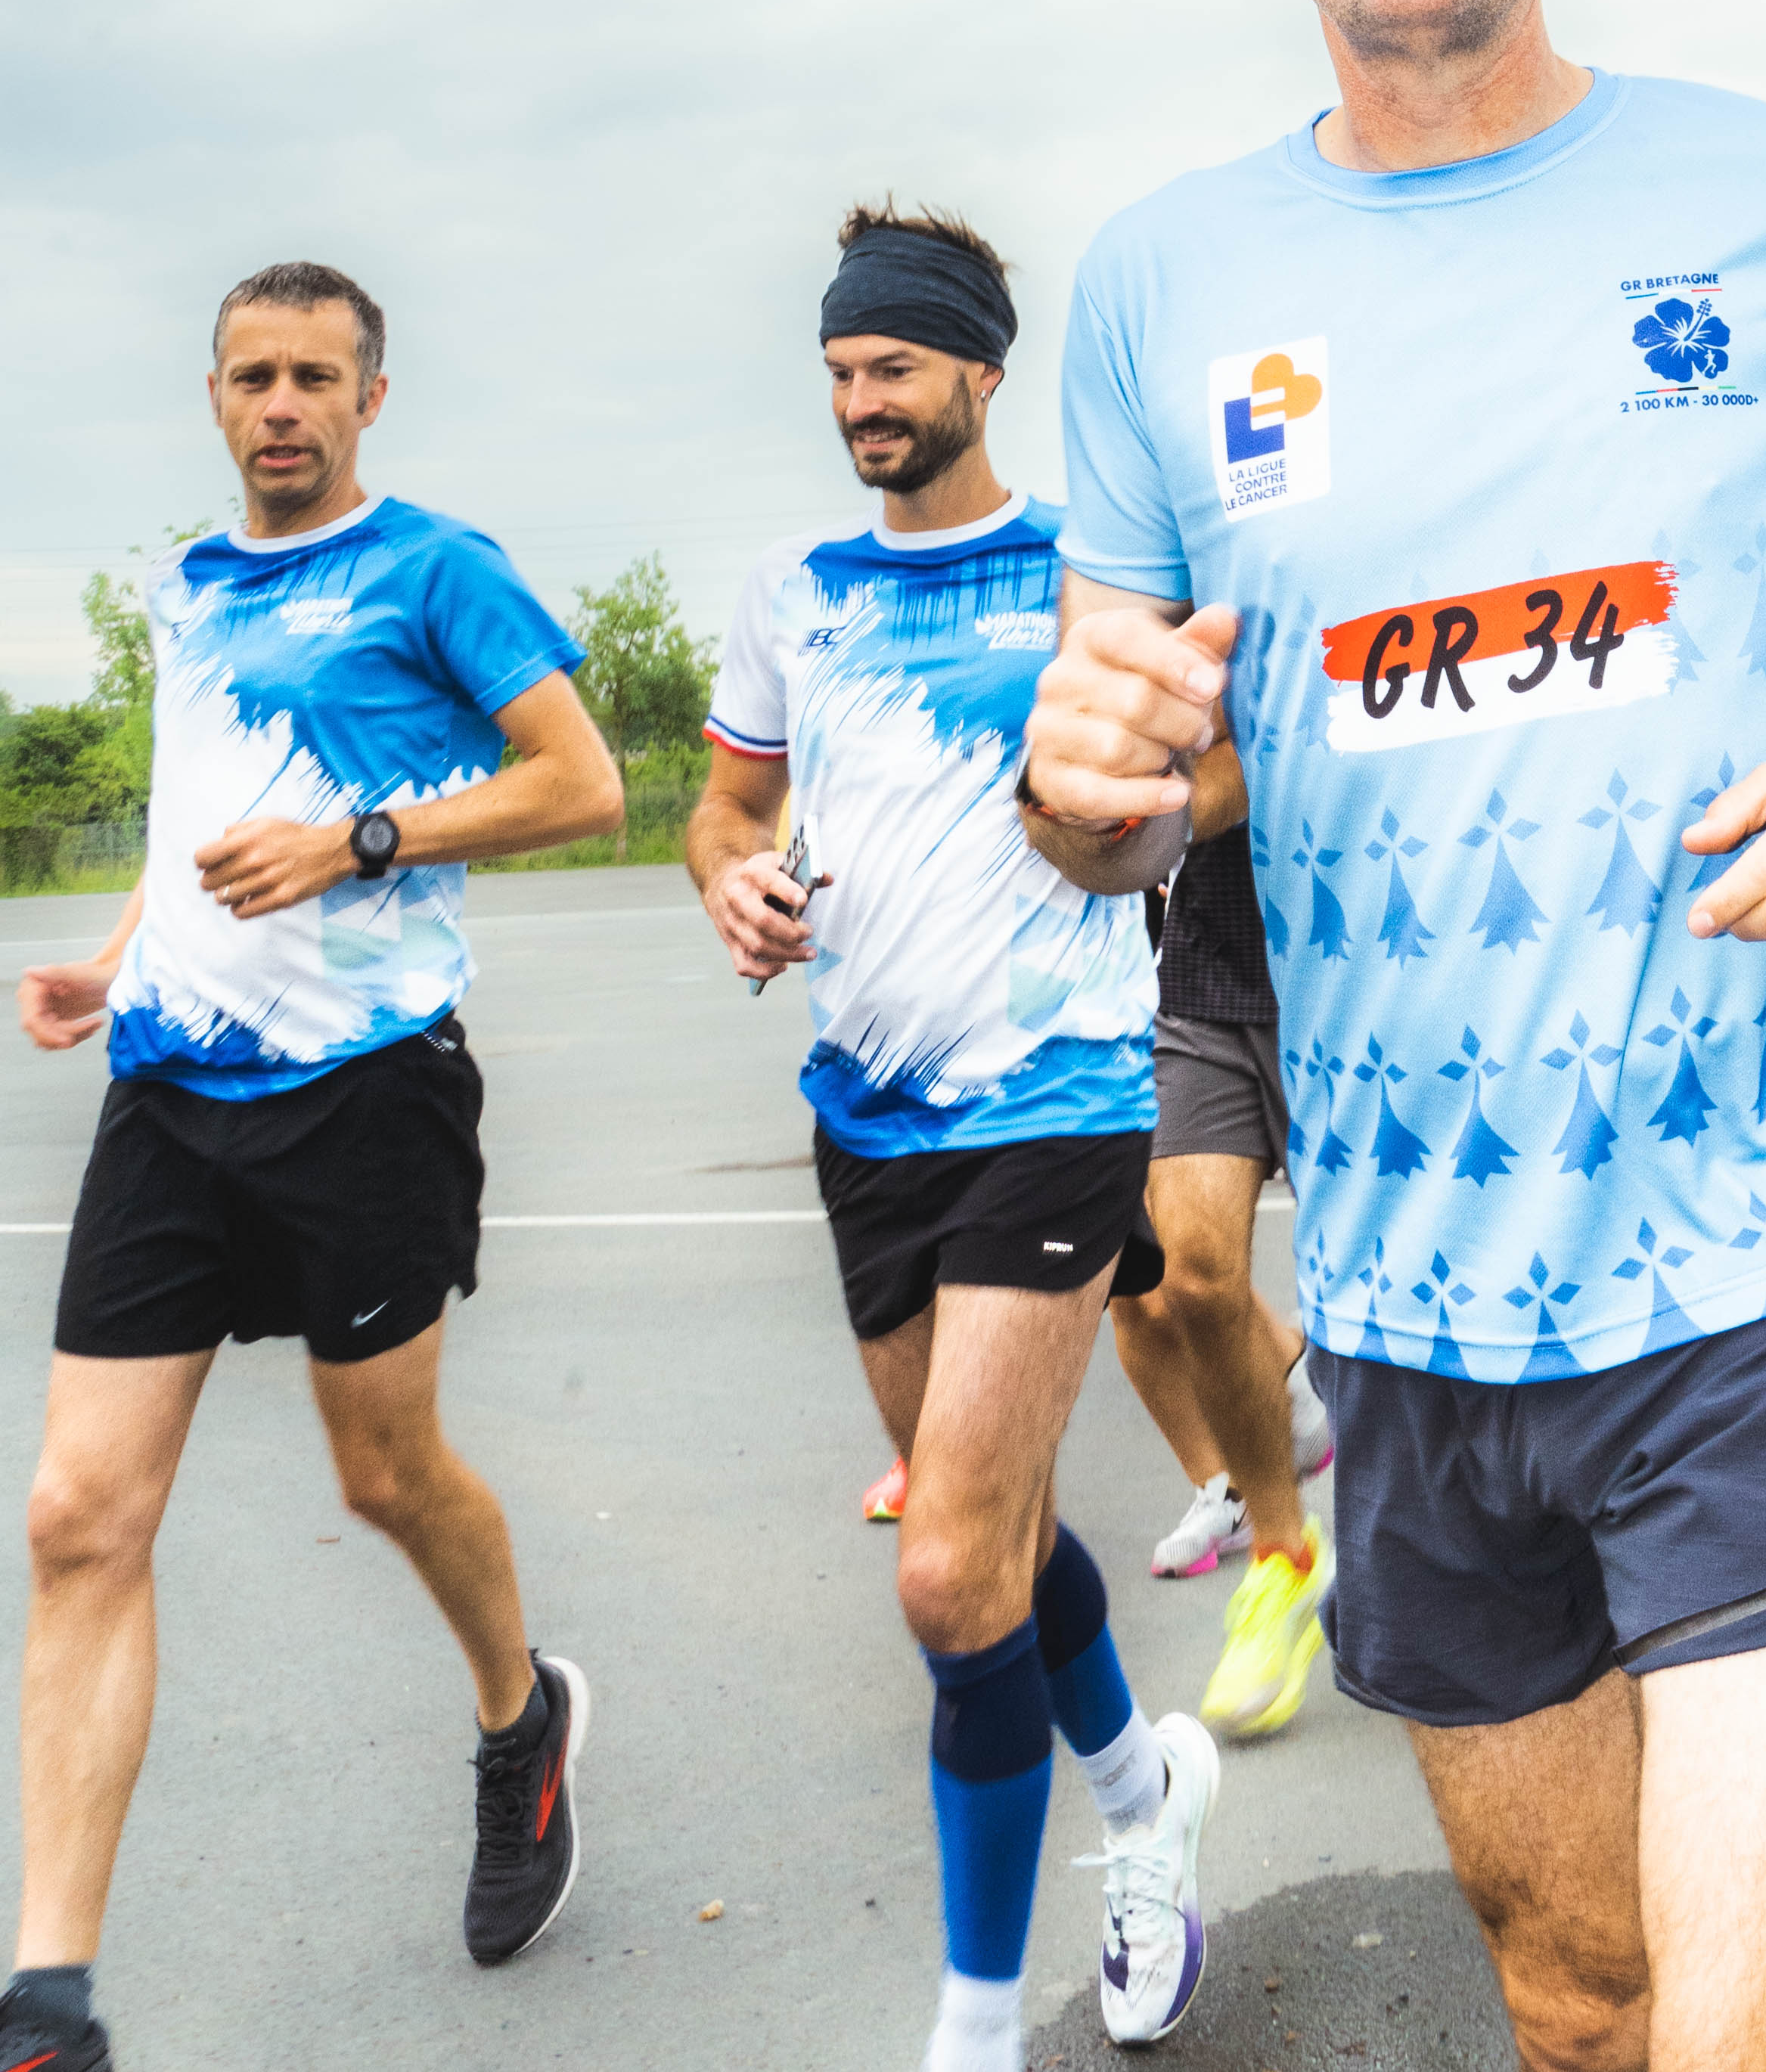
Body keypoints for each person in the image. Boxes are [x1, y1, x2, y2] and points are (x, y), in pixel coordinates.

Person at [1022, 0, 1766, 2072]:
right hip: (1408, 1297)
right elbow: (1119, 792)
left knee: (1759, 2029)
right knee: (1583, 2004)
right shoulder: (1161, 283)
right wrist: (1079, 789)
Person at [6, 263, 623, 2072]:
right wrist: (120, 955)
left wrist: (364, 838)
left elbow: (579, 783)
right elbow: (200, 815)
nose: (281, 403)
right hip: (166, 1096)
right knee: (77, 1517)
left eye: (314, 376)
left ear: (369, 398)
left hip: (366, 1094)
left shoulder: (435, 569)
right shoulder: (192, 585)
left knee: (386, 1474)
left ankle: (520, 1716)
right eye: (252, 375)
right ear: (215, 395)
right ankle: (49, 2001)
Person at [687, 203, 1216, 2071]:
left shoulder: (1087, 570)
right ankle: (1145, 1795)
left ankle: (976, 2025)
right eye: (841, 370)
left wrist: (1143, 825)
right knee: (989, 1536)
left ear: (981, 371)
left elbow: (1199, 776)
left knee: (940, 1570)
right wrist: (729, 878)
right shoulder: (794, 587)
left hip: (1058, 1093)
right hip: (868, 1110)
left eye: (894, 366)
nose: (863, 401)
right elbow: (725, 800)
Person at [1103, 821, 1339, 1737]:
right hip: (1205, 974)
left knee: (1385, 1288)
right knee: (1188, 1274)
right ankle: (1282, 1554)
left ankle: (1470, 1554)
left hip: (1360, 967)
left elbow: (1223, 779)